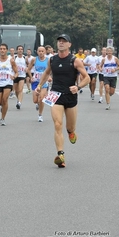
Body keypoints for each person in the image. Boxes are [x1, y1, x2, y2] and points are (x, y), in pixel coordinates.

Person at [35, 34, 90, 168]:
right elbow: (47, 73)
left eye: (64, 41)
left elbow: (87, 78)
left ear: (69, 45)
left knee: (70, 127)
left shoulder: (75, 61)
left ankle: (71, 132)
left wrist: (78, 87)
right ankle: (61, 155)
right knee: (58, 124)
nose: (61, 43)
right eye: (59, 41)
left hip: (70, 96)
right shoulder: (52, 60)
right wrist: (39, 85)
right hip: (55, 94)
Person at [0, 43, 18, 126]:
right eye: (1, 49)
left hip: (8, 82)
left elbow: (16, 72)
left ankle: (2, 118)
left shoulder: (11, 60)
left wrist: (14, 76)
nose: (2, 50)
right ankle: (3, 107)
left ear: (6, 50)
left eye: (4, 49)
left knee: (5, 100)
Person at [27, 46, 49, 122]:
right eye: (39, 51)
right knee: (35, 100)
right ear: (37, 52)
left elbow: (51, 71)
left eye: (42, 51)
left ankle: (40, 115)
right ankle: (37, 104)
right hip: (35, 81)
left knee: (41, 99)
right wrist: (31, 77)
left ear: (45, 52)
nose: (41, 53)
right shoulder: (34, 59)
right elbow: (28, 69)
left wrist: (49, 77)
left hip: (44, 82)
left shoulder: (48, 60)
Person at [14, 45, 27, 109]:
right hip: (15, 75)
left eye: (21, 49)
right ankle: (18, 99)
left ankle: (19, 102)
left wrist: (27, 68)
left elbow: (29, 65)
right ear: (17, 50)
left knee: (20, 89)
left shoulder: (25, 58)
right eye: (19, 49)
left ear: (23, 50)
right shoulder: (14, 57)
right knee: (16, 91)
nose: (20, 50)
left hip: (22, 75)